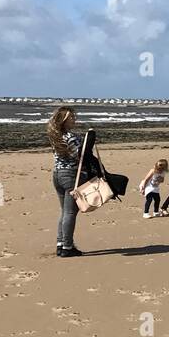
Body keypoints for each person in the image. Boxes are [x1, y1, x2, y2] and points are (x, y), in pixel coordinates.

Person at [46, 104, 98, 258]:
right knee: (70, 212)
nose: (74, 120)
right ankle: (67, 246)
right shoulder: (70, 137)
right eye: (71, 118)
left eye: (74, 117)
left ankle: (61, 243)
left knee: (64, 211)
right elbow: (80, 156)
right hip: (70, 175)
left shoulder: (56, 136)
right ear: (63, 121)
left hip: (57, 174)